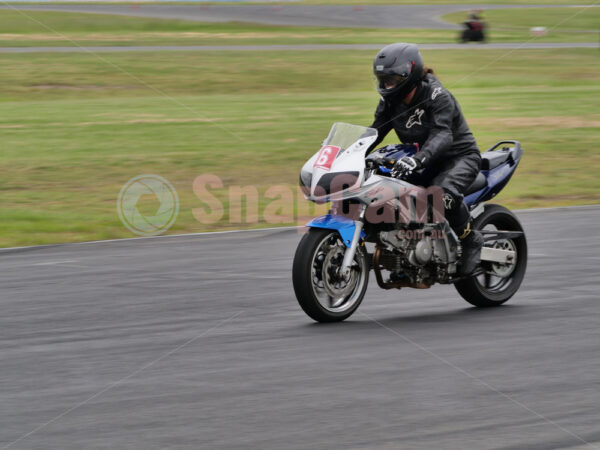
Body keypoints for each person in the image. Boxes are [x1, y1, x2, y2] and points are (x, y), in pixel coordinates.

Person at [368, 42, 483, 276]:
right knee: (386, 187)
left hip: (459, 158)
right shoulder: (390, 101)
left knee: (442, 195)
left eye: (392, 79)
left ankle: (471, 239)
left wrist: (418, 159)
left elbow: (443, 134)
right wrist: (348, 152)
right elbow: (375, 131)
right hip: (423, 160)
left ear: (409, 74)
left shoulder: (436, 95)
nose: (386, 84)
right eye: (383, 79)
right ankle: (403, 247)